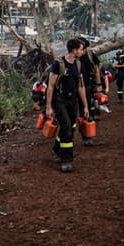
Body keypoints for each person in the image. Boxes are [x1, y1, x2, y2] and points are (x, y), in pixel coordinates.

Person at [46, 38, 90, 173]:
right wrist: (49, 107)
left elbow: (81, 87)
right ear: (74, 50)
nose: (83, 52)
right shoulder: (58, 64)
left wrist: (85, 106)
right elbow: (51, 86)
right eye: (81, 49)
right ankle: (66, 160)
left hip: (73, 101)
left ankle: (56, 149)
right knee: (66, 127)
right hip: (59, 100)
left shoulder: (78, 65)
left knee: (71, 127)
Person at [78, 36, 104, 126]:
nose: (83, 50)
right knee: (81, 99)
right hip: (79, 82)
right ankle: (83, 115)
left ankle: (93, 114)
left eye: (84, 48)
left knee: (92, 98)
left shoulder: (90, 54)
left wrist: (98, 83)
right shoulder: (74, 56)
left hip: (90, 80)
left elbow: (96, 68)